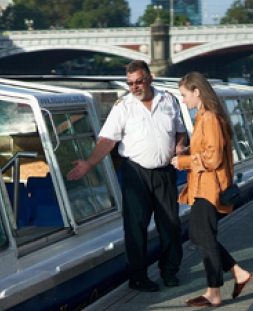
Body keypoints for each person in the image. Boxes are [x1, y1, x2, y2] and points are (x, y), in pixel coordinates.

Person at [66, 60, 186, 292]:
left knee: (170, 224)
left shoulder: (169, 100)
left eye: (139, 82)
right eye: (130, 83)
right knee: (135, 226)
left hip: (164, 173)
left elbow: (180, 132)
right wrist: (90, 163)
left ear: (150, 78)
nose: (134, 87)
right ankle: (138, 277)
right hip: (136, 173)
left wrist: (180, 148)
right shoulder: (123, 107)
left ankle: (170, 271)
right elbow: (108, 140)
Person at [171, 72, 253, 308]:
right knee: (198, 235)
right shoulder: (204, 116)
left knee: (203, 236)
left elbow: (214, 157)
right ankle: (237, 273)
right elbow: (207, 149)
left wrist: (184, 162)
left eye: (184, 95)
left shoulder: (209, 118)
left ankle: (214, 292)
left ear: (197, 92)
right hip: (202, 187)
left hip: (210, 188)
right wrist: (187, 151)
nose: (183, 100)